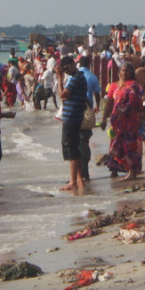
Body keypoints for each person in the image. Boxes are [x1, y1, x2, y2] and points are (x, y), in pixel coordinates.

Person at [102, 62, 143, 179]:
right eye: (122, 71)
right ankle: (118, 169)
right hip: (118, 123)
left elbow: (133, 101)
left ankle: (132, 172)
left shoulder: (133, 86)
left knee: (129, 146)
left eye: (127, 70)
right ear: (119, 73)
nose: (124, 73)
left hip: (129, 122)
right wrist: (105, 118)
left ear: (131, 73)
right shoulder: (117, 86)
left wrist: (124, 110)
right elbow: (110, 103)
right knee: (117, 147)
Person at [57, 56, 87, 191]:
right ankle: (79, 179)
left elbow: (62, 95)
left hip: (72, 117)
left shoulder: (76, 78)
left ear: (73, 64)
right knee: (74, 147)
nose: (66, 71)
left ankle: (73, 181)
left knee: (71, 148)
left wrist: (58, 77)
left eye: (67, 68)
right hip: (74, 116)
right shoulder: (76, 77)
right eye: (64, 70)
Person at [77, 55, 102, 181]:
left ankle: (81, 173)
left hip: (75, 112)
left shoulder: (72, 76)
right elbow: (97, 94)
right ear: (89, 64)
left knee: (77, 141)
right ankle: (84, 171)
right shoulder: (92, 77)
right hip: (88, 111)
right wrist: (97, 106)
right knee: (85, 139)